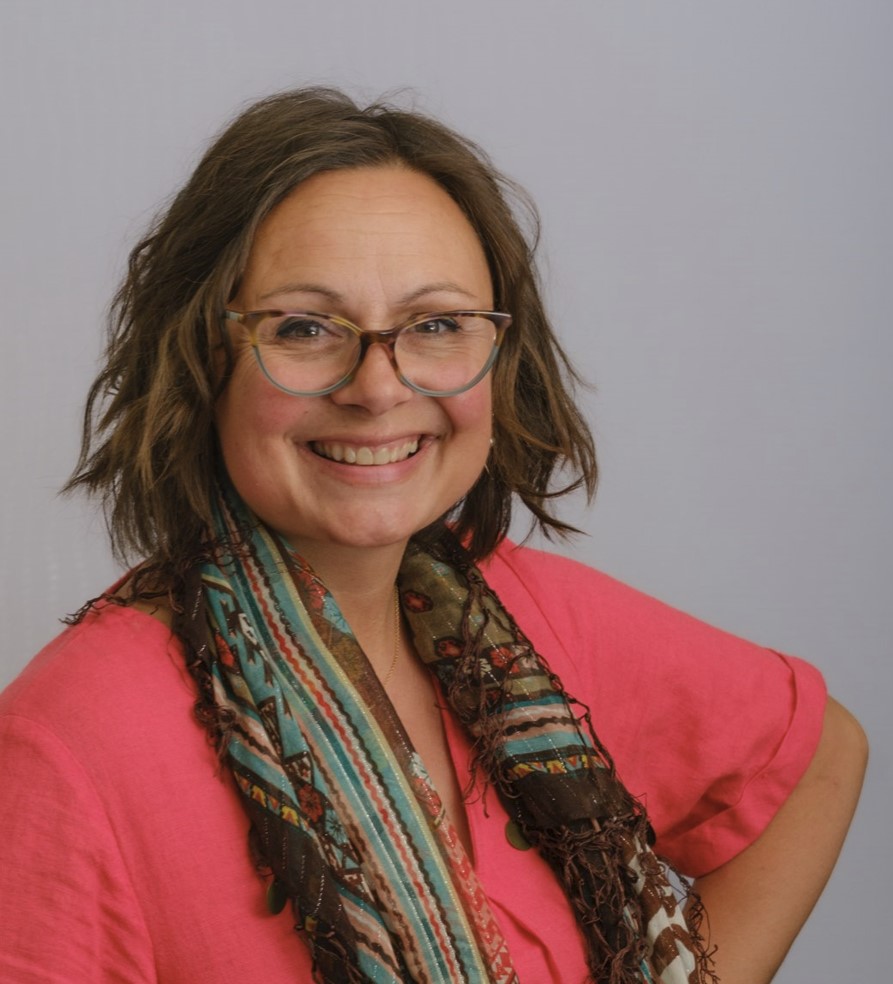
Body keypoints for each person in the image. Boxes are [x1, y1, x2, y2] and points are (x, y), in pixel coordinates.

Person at [0, 87, 866, 984]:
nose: (378, 388)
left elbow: (815, 757)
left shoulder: (528, 617)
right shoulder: (67, 749)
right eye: (304, 327)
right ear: (198, 360)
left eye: (438, 325)